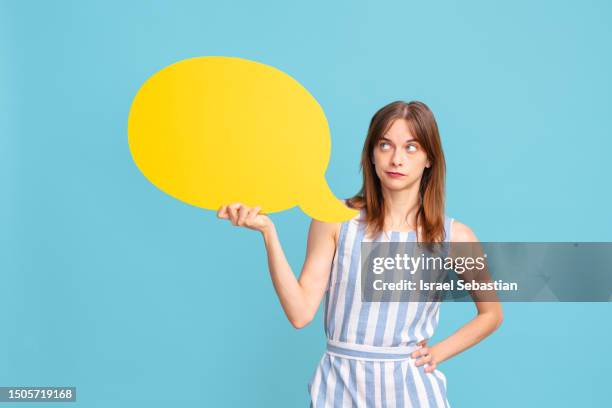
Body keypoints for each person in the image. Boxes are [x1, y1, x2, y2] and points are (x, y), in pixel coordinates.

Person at [218, 100, 503, 407]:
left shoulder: (454, 236)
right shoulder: (335, 220)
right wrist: (268, 233)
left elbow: (491, 314)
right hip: (339, 387)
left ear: (429, 158)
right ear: (371, 153)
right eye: (385, 145)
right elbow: (300, 313)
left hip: (411, 392)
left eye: (411, 147)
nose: (396, 159)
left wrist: (439, 352)